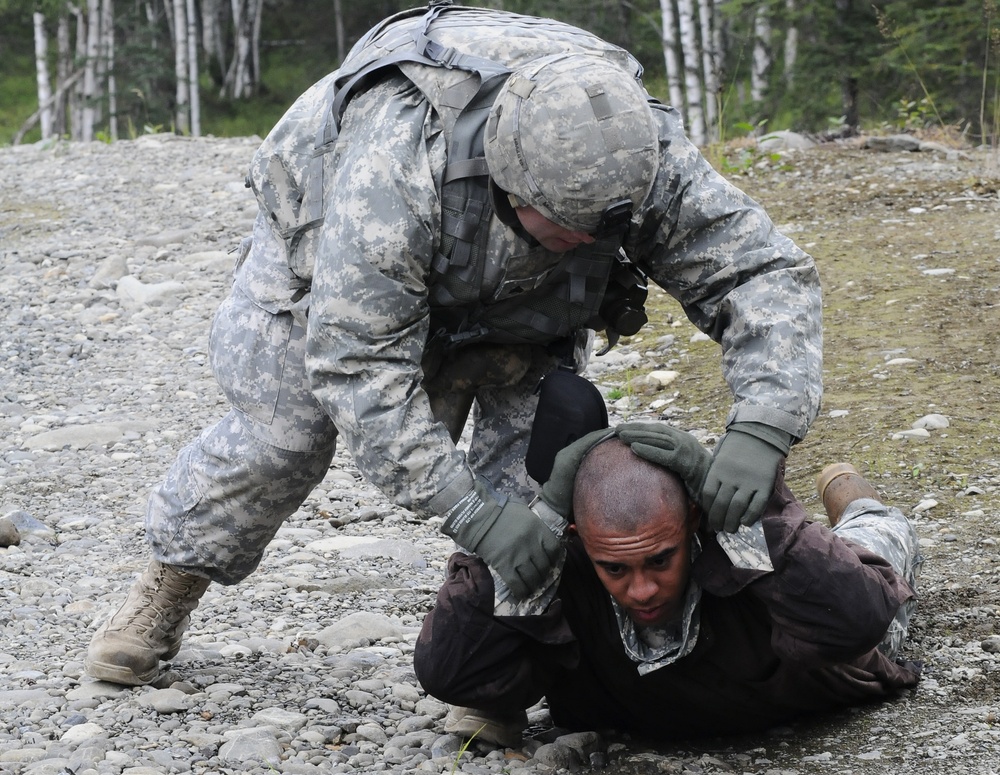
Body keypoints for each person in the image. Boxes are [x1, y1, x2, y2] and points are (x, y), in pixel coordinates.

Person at [85, 1, 822, 686]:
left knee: (542, 463)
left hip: (519, 299)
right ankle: (170, 582)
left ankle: (502, 659)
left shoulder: (634, 156)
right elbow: (357, 363)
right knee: (282, 434)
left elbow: (762, 271)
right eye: (568, 227)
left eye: (603, 232)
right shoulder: (395, 171)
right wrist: (465, 511)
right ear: (510, 181)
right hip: (328, 256)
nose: (589, 245)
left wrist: (763, 424)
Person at [414, 423, 922, 746]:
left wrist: (749, 514)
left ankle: (857, 501)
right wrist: (541, 517)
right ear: (578, 539)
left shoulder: (733, 541)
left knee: (876, 540)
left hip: (819, 676)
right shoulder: (567, 563)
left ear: (693, 525)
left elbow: (858, 616)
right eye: (615, 568)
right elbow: (451, 671)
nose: (642, 590)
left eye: (660, 560)